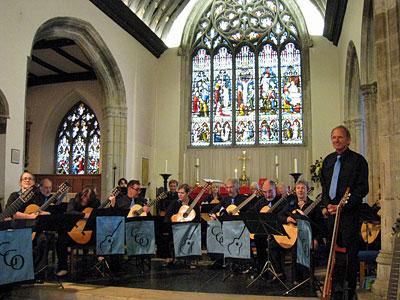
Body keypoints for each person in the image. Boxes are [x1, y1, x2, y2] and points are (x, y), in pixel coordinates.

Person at [320, 125, 369, 300]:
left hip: (349, 215)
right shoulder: (328, 161)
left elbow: (362, 189)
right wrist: (327, 206)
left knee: (350, 253)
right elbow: (325, 188)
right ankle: (336, 288)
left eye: (340, 137)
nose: (336, 141)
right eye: (333, 137)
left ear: (348, 140)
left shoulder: (358, 161)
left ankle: (350, 290)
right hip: (331, 215)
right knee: (334, 253)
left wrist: (342, 206)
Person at [283, 179, 326, 285]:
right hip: (295, 236)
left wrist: (315, 239)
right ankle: (296, 279)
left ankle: (308, 279)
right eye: (298, 188)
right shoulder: (291, 204)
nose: (300, 190)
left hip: (312, 236)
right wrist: (287, 219)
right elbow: (280, 215)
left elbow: (321, 226)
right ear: (295, 190)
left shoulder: (313, 205)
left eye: (303, 188)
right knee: (295, 247)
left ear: (307, 191)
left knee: (304, 246)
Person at [56, 186, 100, 276]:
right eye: (83, 198)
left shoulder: (95, 203)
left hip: (88, 233)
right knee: (60, 241)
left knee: (101, 235)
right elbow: (69, 212)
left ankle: (100, 260)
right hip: (73, 233)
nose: (84, 201)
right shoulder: (73, 201)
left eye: (87, 200)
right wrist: (83, 215)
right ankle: (63, 268)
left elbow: (99, 214)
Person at [248, 180, 288, 280]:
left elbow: (283, 217)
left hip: (279, 233)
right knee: (257, 237)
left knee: (272, 242)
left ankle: (279, 272)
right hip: (264, 232)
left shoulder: (282, 201)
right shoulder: (261, 201)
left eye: (270, 191)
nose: (267, 195)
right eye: (265, 192)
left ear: (275, 189)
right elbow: (252, 212)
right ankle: (261, 269)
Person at [163, 184, 201, 267]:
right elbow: (168, 215)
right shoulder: (175, 203)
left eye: (182, 193)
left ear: (187, 193)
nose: (179, 195)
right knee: (164, 235)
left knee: (193, 235)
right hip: (177, 227)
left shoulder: (193, 203)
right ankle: (169, 257)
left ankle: (192, 258)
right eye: (178, 192)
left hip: (190, 228)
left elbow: (198, 217)